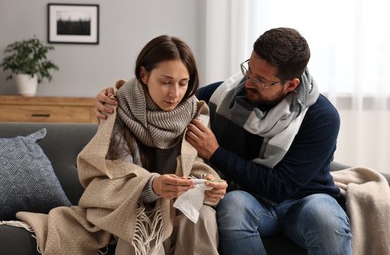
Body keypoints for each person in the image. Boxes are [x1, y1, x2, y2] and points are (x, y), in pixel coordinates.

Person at [95, 28, 352, 255]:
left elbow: (280, 187)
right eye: (249, 69)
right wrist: (114, 97)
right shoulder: (224, 96)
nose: (248, 82)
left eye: (261, 80)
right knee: (234, 205)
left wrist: (216, 153)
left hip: (304, 200)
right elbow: (168, 101)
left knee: (326, 219)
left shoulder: (321, 117)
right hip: (250, 199)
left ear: (291, 85)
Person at [16, 35, 227, 255]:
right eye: (165, 82)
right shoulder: (116, 107)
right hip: (131, 207)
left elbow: (197, 165)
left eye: (183, 83)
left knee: (204, 217)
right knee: (138, 225)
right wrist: (151, 186)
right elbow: (106, 175)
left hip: (178, 208)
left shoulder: (196, 112)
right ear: (144, 75)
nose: (175, 93)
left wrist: (209, 186)